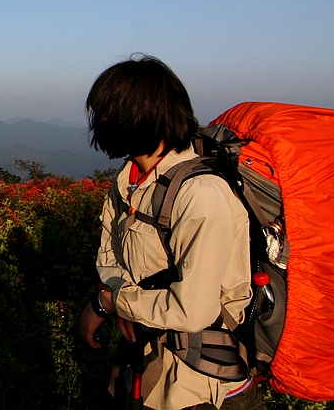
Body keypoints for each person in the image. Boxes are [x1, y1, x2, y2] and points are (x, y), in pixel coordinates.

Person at [78, 55, 265, 410]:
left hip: (201, 388)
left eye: (103, 112)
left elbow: (192, 310)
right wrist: (124, 305)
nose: (97, 123)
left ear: (131, 117)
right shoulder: (128, 184)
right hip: (145, 371)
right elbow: (109, 258)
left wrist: (108, 303)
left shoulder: (201, 195)